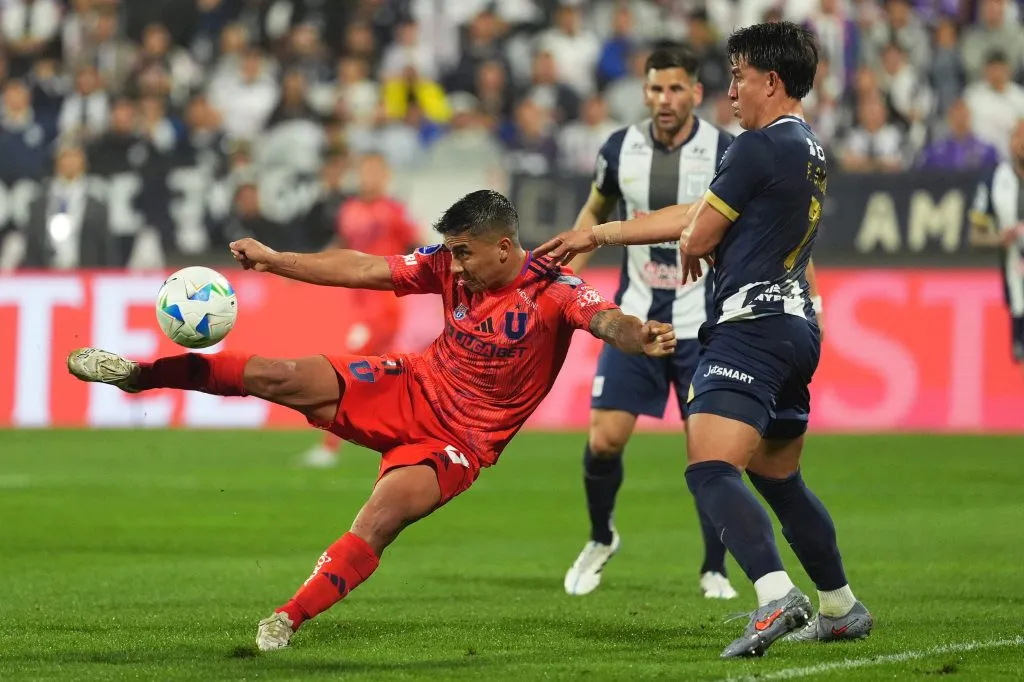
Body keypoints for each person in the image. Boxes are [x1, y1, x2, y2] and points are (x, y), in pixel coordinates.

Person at [66, 189, 677, 652]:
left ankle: (288, 616)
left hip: (462, 442)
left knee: (381, 518)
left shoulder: (556, 290)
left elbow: (607, 320)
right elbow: (364, 269)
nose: (455, 266)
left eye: (465, 253)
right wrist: (278, 262)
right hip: (409, 383)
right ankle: (138, 374)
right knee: (281, 376)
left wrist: (638, 335)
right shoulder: (445, 264)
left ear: (504, 247)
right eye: (452, 252)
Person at [535, 22, 870, 658]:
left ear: (772, 81)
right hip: (796, 326)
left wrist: (665, 241)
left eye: (740, 76)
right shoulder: (809, 147)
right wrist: (604, 236)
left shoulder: (753, 148)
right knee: (780, 478)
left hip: (749, 329)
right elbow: (700, 220)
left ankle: (775, 595)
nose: (733, 90)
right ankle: (841, 604)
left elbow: (698, 230)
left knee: (711, 468)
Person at [560, 43, 738, 601]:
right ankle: (600, 537)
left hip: (701, 324)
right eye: (656, 89)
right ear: (645, 92)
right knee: (605, 440)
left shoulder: (725, 151)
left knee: (707, 453)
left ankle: (715, 568)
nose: (665, 99)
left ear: (696, 93)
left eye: (676, 88)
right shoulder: (620, 149)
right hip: (633, 319)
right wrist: (563, 276)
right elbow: (595, 210)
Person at [301, 152, 422, 469]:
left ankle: (329, 446)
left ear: (385, 177)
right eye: (364, 171)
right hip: (359, 306)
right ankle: (413, 437)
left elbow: (421, 245)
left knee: (347, 372)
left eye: (374, 172)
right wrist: (298, 267)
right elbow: (339, 247)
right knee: (386, 377)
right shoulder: (349, 210)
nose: (368, 178)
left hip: (384, 307)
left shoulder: (394, 212)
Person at [969, 118, 1024, 379]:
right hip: (1013, 278)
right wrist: (999, 238)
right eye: (1018, 135)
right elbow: (975, 235)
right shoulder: (995, 179)